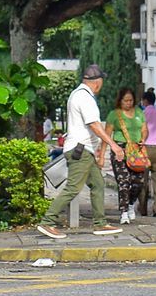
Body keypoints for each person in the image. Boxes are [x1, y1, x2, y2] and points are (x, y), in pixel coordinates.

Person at [37, 64, 125, 240]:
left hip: (84, 150)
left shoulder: (77, 94)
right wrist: (113, 145)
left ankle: (100, 223)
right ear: (98, 82)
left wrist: (99, 151)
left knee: (98, 184)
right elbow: (94, 125)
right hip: (81, 150)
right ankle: (47, 221)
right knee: (73, 187)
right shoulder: (85, 98)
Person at [107, 87, 150, 225]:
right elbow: (106, 135)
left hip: (137, 150)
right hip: (120, 149)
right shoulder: (114, 115)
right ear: (120, 100)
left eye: (131, 100)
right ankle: (124, 211)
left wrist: (144, 138)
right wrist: (101, 154)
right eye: (126, 100)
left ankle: (131, 203)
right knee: (123, 181)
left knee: (139, 182)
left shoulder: (139, 112)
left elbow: (144, 129)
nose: (128, 103)